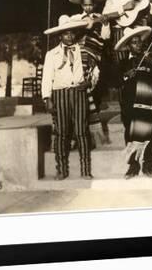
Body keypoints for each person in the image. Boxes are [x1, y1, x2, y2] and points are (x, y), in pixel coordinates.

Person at [41, 15, 100, 180]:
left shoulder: (84, 51)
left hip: (79, 93)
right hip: (59, 94)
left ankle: (85, 169)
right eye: (65, 34)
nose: (69, 37)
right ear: (60, 35)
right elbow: (47, 77)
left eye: (72, 33)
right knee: (61, 133)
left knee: (82, 131)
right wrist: (47, 98)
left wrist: (89, 83)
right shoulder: (52, 54)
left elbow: (95, 71)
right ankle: (61, 169)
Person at [114, 26, 152, 178]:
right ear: (128, 45)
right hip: (130, 103)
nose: (138, 45)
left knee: (150, 133)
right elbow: (115, 81)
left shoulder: (149, 60)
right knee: (130, 132)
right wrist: (126, 76)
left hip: (148, 101)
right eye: (134, 43)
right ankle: (133, 165)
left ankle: (148, 164)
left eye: (139, 42)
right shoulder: (123, 63)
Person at [69, 0, 111, 145]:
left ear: (94, 5)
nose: (88, 7)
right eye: (85, 5)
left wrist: (105, 24)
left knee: (92, 92)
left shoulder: (100, 18)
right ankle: (78, 132)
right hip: (78, 56)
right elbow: (68, 30)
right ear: (81, 5)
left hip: (93, 56)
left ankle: (89, 135)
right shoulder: (76, 18)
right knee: (79, 92)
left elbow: (105, 37)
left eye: (90, 5)